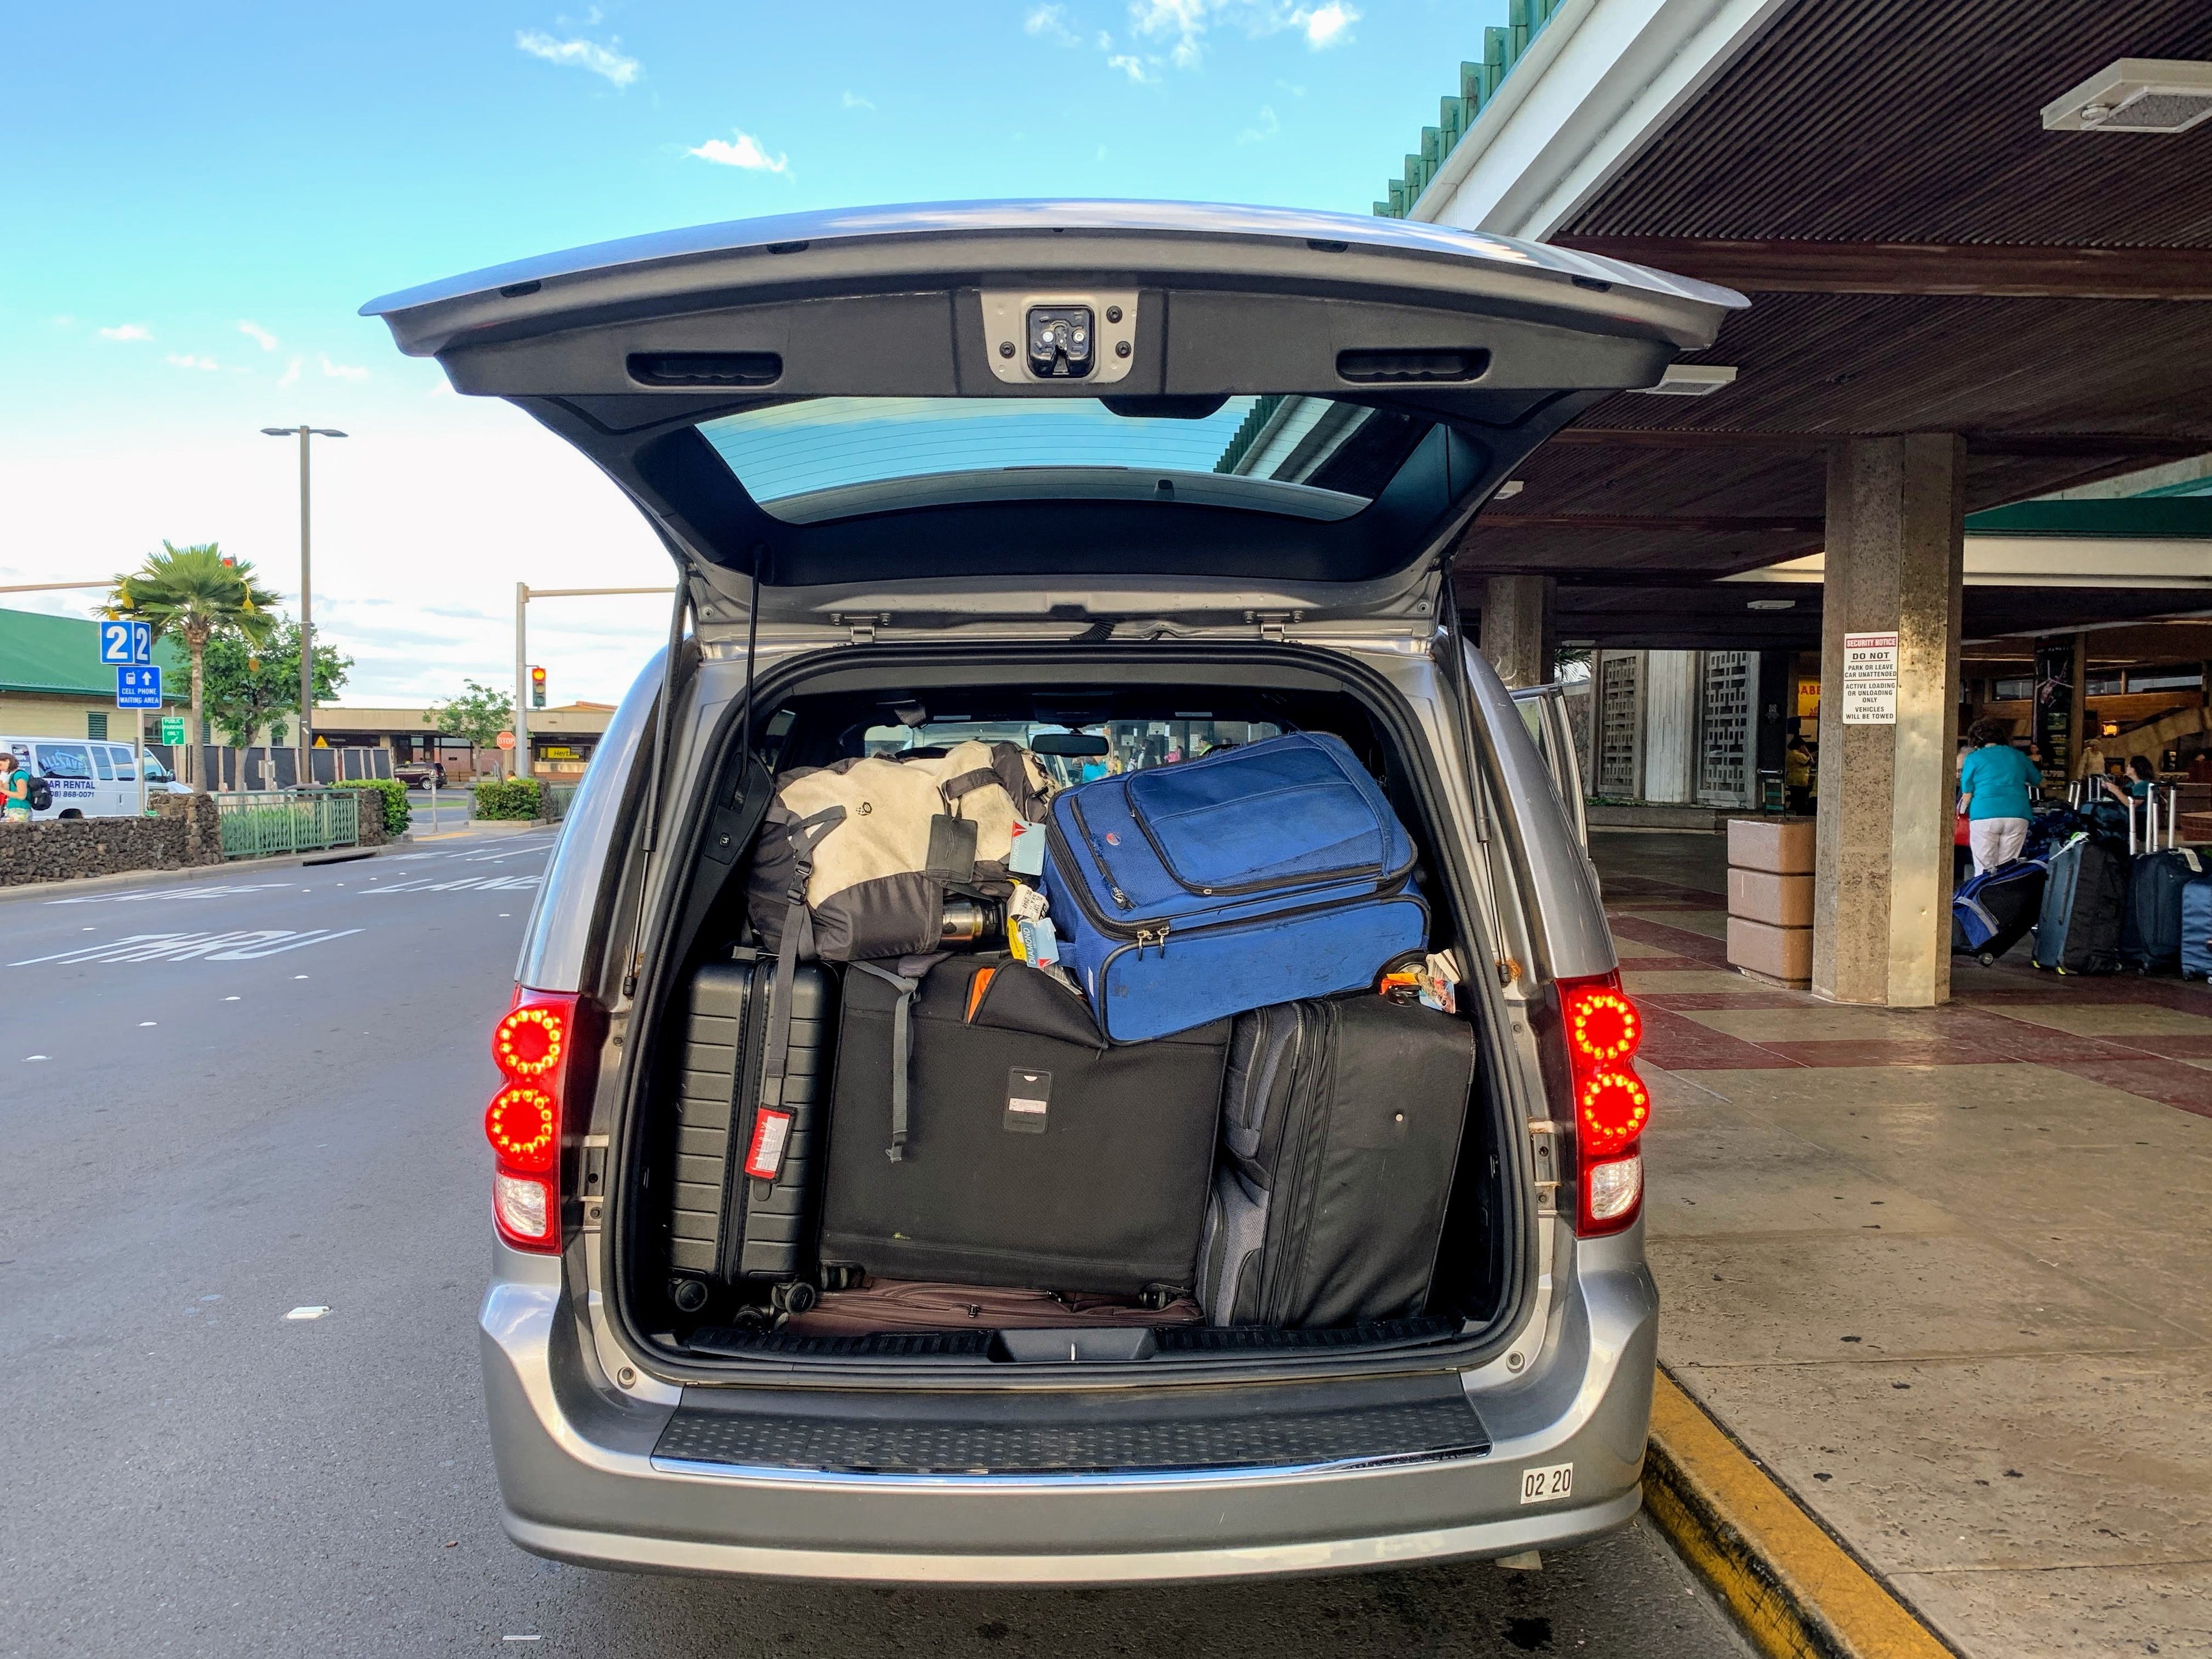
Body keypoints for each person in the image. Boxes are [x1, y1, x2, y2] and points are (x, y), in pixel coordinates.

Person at [1957, 718, 2042, 876]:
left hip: (1984, 815)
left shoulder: (1974, 758)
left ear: (1975, 741)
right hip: (2017, 815)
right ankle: (2002, 897)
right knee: (2007, 868)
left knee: (1984, 869)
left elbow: (1967, 794)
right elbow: (2039, 781)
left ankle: (1979, 898)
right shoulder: (2018, 756)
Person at [1, 751, 30, 825]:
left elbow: (22, 796)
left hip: (20, 810)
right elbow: (4, 787)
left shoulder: (20, 775)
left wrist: (3, 790)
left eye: (1, 765)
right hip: (14, 810)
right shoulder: (13, 776)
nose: (0, 768)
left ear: (8, 761)